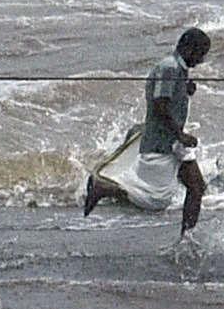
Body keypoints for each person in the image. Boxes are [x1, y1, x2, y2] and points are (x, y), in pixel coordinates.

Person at [83, 27, 213, 233]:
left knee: (197, 188)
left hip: (172, 141)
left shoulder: (177, 70)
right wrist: (180, 134)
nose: (201, 61)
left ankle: (187, 238)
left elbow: (169, 98)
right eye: (200, 55)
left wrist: (184, 91)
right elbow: (160, 104)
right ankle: (104, 188)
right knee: (155, 200)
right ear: (189, 49)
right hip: (164, 141)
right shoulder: (169, 68)